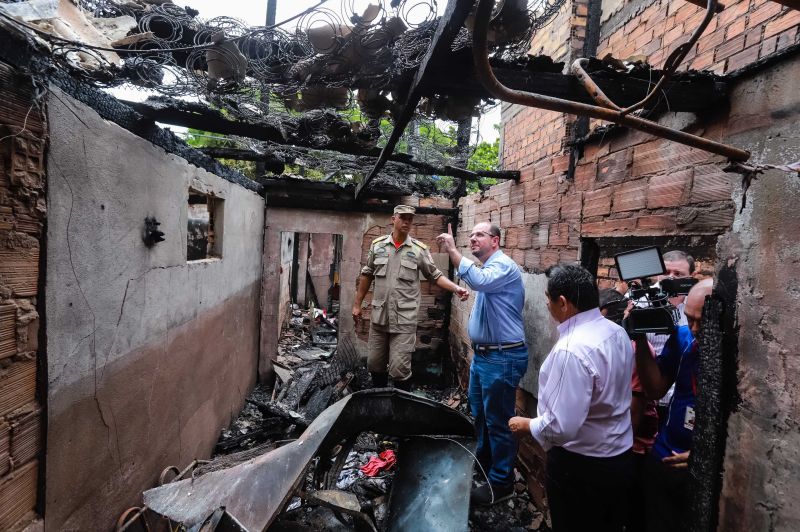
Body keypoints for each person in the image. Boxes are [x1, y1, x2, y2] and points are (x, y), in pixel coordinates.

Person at [509, 264, 634, 532]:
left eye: (548, 300)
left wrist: (526, 425)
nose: (546, 305)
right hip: (619, 459)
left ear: (563, 303)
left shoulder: (571, 350)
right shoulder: (617, 332)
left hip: (582, 467)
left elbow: (561, 427)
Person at [436, 221, 526, 505]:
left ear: (495, 241)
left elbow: (478, 281)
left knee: (499, 422)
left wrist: (452, 250)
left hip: (503, 357)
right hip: (485, 356)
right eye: (471, 234)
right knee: (482, 416)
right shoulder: (489, 268)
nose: (472, 238)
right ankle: (485, 467)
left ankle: (502, 483)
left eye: (479, 234)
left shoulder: (503, 267)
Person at [353, 205, 468, 390]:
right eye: (403, 217)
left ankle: (399, 408)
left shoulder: (418, 250)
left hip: (404, 320)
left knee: (399, 369)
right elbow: (367, 274)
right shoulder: (378, 246)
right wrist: (357, 305)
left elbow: (435, 275)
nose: (407, 221)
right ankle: (380, 401)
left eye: (410, 219)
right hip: (379, 317)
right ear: (394, 219)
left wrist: (456, 288)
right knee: (374, 364)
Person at [631, 278, 713, 532]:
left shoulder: (739, 351)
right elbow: (655, 388)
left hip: (703, 468)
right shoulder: (683, 337)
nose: (696, 328)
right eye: (689, 318)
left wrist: (705, 457)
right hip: (664, 455)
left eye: (703, 320)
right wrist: (641, 340)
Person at [600, 288, 658, 532]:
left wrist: (616, 453)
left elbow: (635, 410)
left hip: (632, 446)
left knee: (627, 510)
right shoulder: (606, 344)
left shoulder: (633, 349)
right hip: (614, 440)